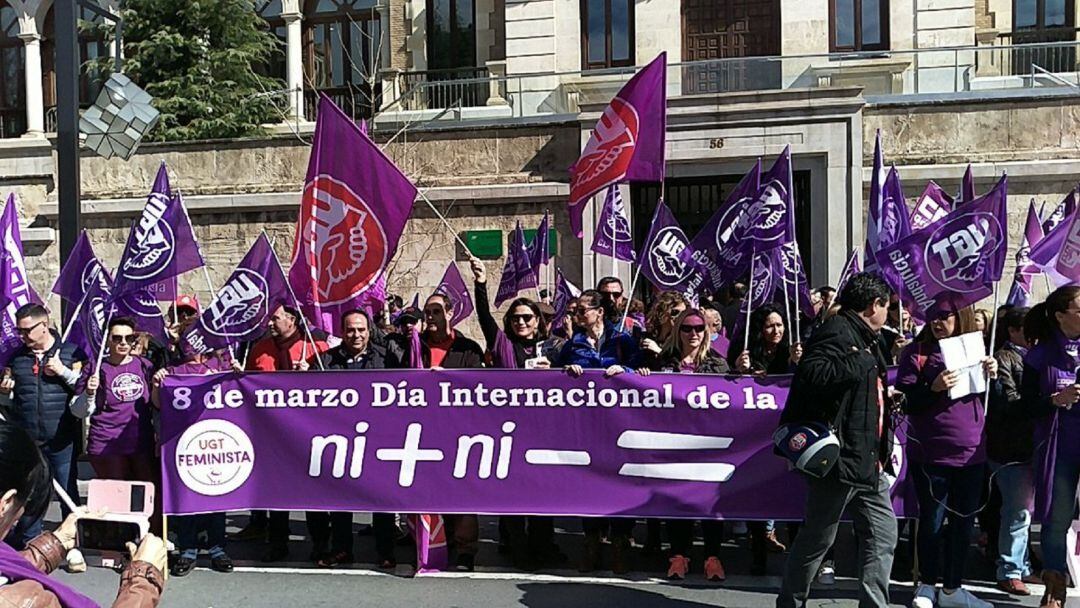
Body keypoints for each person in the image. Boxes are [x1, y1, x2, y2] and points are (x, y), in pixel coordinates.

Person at [775, 272, 897, 608]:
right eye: (887, 306)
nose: (889, 314)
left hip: (868, 460)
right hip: (840, 461)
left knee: (883, 535)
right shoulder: (837, 331)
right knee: (817, 538)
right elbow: (813, 375)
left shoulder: (868, 338)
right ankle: (791, 602)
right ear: (875, 305)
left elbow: (859, 391)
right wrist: (860, 361)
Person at [0, 421, 168, 607]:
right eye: (23, 507)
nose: (19, 515)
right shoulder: (28, 601)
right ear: (6, 503)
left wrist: (57, 542)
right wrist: (143, 579)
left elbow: (7, 570)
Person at [896, 305, 998, 608]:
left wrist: (995, 375)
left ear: (961, 317)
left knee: (963, 523)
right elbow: (907, 402)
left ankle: (953, 588)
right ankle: (927, 584)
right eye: (934, 317)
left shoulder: (977, 350)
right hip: (930, 453)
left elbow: (1001, 400)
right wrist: (933, 386)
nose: (938, 322)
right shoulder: (916, 352)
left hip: (971, 452)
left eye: (945, 316)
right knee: (931, 522)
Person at [470, 258, 564, 570]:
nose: (521, 323)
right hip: (508, 432)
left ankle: (543, 545)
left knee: (544, 493)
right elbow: (485, 318)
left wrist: (562, 372)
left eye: (527, 317)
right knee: (512, 494)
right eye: (515, 318)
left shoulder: (551, 349)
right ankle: (517, 547)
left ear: (538, 321)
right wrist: (481, 283)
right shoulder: (502, 345)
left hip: (543, 432)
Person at [639, 308, 729, 582]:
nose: (693, 334)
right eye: (687, 328)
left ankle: (713, 556)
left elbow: (731, 395)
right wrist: (641, 373)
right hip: (673, 441)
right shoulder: (663, 359)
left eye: (699, 328)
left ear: (707, 332)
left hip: (707, 441)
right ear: (678, 331)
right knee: (677, 500)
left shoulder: (717, 362)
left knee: (709, 501)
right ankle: (679, 554)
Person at [308, 309, 400, 569]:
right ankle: (341, 550)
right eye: (350, 330)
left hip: (379, 439)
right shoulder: (326, 361)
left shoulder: (387, 358)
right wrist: (300, 377)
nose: (356, 335)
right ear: (342, 332)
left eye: (360, 329)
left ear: (369, 331)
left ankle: (385, 550)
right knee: (340, 499)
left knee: (381, 498)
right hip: (341, 441)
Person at [236, 305, 329, 562]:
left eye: (275, 318)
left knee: (313, 492)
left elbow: (335, 390)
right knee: (276, 492)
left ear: (292, 319)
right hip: (271, 434)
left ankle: (320, 544)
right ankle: (277, 543)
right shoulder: (258, 349)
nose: (270, 323)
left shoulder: (316, 349)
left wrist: (311, 376)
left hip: (309, 434)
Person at [557, 289, 640, 574]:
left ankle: (619, 544)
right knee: (589, 483)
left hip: (619, 424)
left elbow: (644, 372)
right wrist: (567, 370)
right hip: (587, 425)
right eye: (576, 311)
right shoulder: (574, 344)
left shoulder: (622, 340)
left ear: (599, 312)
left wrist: (625, 370)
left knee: (620, 482)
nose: (577, 316)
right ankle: (591, 543)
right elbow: (555, 378)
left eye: (582, 310)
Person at [1, 304, 87, 548]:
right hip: (28, 438)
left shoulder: (72, 354)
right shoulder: (16, 358)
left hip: (60, 436)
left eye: (28, 330)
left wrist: (62, 371)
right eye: (20, 331)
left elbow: (85, 391)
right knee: (30, 490)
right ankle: (31, 541)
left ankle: (72, 541)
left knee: (66, 490)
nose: (23, 336)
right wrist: (4, 393)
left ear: (44, 324)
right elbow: (9, 401)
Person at [728, 302, 800, 574]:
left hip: (788, 431)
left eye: (780, 325)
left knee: (792, 495)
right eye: (770, 325)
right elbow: (729, 386)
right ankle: (758, 552)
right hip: (755, 435)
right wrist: (739, 370)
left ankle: (796, 557)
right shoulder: (745, 351)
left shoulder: (790, 351)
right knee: (758, 497)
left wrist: (797, 363)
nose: (776, 330)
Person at [153, 347, 237, 577]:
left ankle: (218, 548)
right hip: (185, 444)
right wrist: (156, 383)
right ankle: (188, 550)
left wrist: (239, 375)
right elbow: (158, 404)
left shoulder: (220, 367)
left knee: (217, 498)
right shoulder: (173, 371)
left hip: (216, 441)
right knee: (186, 499)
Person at [1020, 286, 1080, 608]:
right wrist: (1056, 400)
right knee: (1057, 519)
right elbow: (1025, 405)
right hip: (1060, 447)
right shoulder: (1039, 355)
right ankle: (1054, 583)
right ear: (1060, 317)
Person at [420, 292, 485, 571]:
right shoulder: (414, 346)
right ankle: (433, 547)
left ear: (449, 313)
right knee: (430, 493)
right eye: (427, 312)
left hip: (460, 433)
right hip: (423, 432)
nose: (431, 317)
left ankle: (465, 551)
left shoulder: (468, 349)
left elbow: (477, 388)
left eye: (436, 311)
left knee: (462, 494)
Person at [85, 318, 161, 535]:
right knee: (116, 498)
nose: (123, 342)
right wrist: (89, 392)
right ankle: (119, 544)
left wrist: (156, 386)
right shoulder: (97, 367)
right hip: (107, 443)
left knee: (148, 494)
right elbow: (80, 410)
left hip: (141, 442)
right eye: (117, 338)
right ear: (107, 340)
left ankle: (150, 539)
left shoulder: (144, 366)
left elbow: (156, 404)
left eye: (129, 338)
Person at [986, 306, 1037, 596]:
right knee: (1017, 512)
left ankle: (1023, 565)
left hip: (1028, 445)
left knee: (1025, 512)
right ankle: (1009, 569)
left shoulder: (1033, 358)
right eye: (1029, 330)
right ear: (1014, 331)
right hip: (1010, 447)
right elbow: (1008, 401)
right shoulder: (1005, 358)